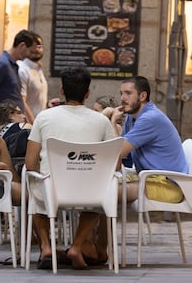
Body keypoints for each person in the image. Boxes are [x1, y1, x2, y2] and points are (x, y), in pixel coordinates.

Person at [25, 67, 116, 270]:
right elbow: (114, 164)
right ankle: (76, 246)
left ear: (62, 91)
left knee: (33, 185)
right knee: (100, 196)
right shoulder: (101, 121)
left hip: (51, 191)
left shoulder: (44, 117)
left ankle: (47, 246)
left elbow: (30, 163)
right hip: (89, 192)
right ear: (87, 93)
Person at [111, 76, 188, 204]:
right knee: (102, 187)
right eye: (121, 93)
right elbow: (125, 158)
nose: (122, 98)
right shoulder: (132, 116)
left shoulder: (149, 118)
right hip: (149, 178)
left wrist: (113, 122)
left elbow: (118, 153)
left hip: (169, 185)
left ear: (142, 96)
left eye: (128, 93)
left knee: (108, 191)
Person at [17, 33, 60, 124]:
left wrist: (47, 104)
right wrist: (32, 125)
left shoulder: (38, 68)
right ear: (25, 47)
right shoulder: (22, 69)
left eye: (39, 46)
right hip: (28, 126)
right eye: (33, 46)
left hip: (40, 123)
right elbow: (21, 102)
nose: (36, 49)